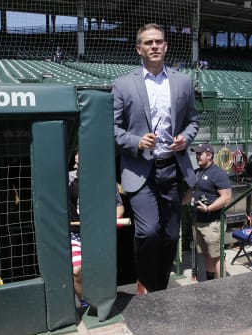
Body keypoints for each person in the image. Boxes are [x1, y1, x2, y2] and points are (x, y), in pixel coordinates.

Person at [113, 23, 198, 295]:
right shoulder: (124, 84)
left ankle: (158, 287)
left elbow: (192, 121)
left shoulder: (182, 81)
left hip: (173, 169)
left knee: (171, 235)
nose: (154, 46)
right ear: (139, 48)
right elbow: (112, 129)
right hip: (140, 171)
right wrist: (136, 142)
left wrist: (185, 137)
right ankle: (145, 282)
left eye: (158, 41)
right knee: (148, 232)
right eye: (148, 43)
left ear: (166, 46)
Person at [68, 151, 124, 306]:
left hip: (98, 235)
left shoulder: (106, 181)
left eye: (79, 163)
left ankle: (102, 302)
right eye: (75, 162)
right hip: (76, 234)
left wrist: (114, 221)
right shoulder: (68, 179)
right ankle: (86, 303)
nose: (75, 166)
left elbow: (119, 208)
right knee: (77, 271)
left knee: (100, 271)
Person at [190, 143, 232, 280]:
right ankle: (210, 282)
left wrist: (208, 208)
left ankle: (221, 286)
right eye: (196, 153)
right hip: (199, 221)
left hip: (213, 223)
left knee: (217, 255)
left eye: (199, 154)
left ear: (209, 155)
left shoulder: (217, 173)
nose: (197, 156)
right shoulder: (197, 172)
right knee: (207, 254)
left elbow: (226, 198)